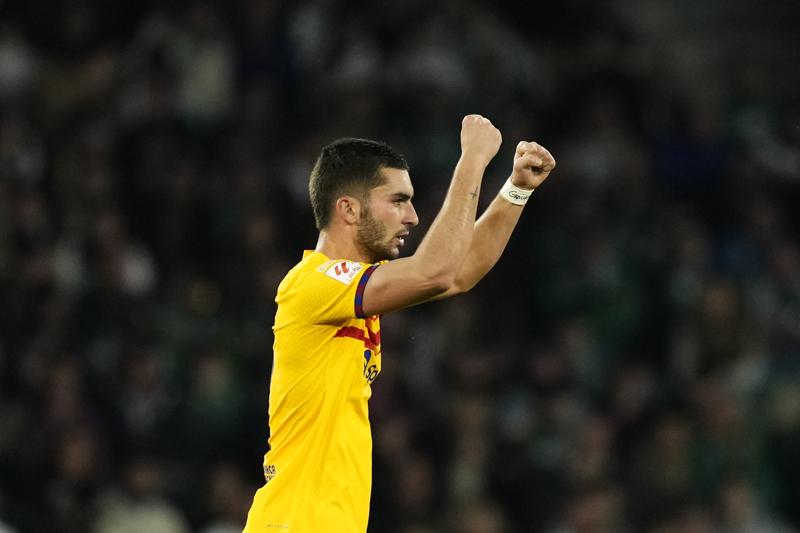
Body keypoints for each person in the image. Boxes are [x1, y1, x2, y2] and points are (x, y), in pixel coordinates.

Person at [243, 115, 556, 532]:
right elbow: (435, 272)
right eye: (397, 201)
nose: (412, 217)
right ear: (348, 209)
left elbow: (459, 273)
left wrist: (515, 190)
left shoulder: (350, 295)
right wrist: (472, 160)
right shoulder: (312, 283)